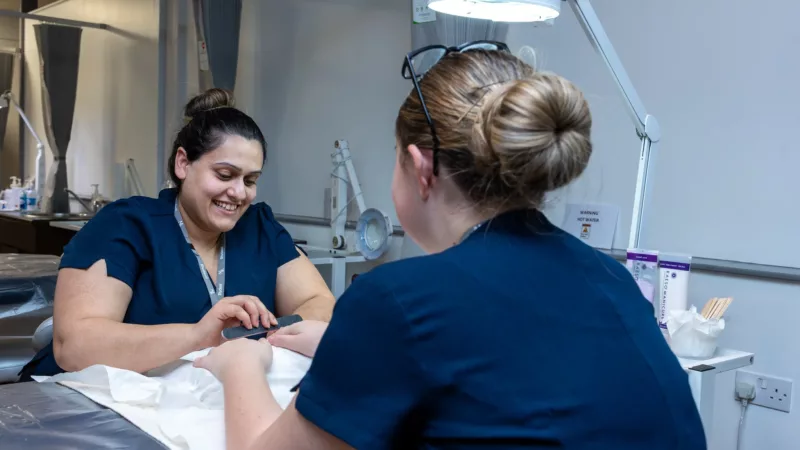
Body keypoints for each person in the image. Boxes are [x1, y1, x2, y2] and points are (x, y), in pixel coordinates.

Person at [193, 43, 706, 449]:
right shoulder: (611, 279)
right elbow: (510, 374)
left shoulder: (398, 298)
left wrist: (239, 367)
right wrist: (340, 347)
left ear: (420, 168)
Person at [18, 88, 335, 381]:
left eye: (250, 180)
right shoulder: (126, 225)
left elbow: (319, 303)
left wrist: (267, 336)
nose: (239, 192)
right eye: (225, 175)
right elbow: (74, 344)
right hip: (89, 405)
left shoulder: (260, 228)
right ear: (183, 163)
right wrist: (200, 336)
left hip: (202, 399)